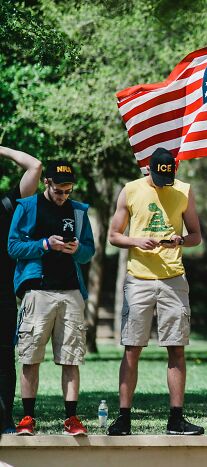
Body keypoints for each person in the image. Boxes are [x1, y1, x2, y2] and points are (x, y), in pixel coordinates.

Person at [107, 148, 203, 436]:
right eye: (159, 178)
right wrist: (138, 241)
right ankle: (124, 418)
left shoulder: (184, 190)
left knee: (176, 348)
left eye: (168, 178)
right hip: (139, 279)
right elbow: (113, 235)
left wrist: (180, 240)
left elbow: (197, 236)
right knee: (132, 348)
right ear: (149, 170)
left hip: (173, 278)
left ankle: (176, 418)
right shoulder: (130, 190)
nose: (164, 183)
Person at [8, 160, 95, 436]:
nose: (63, 197)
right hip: (38, 291)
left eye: (68, 191)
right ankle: (28, 418)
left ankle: (71, 418)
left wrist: (76, 249)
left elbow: (89, 252)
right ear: (47, 183)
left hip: (71, 292)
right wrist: (46, 244)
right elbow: (13, 246)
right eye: (59, 191)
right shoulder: (27, 207)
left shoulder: (79, 212)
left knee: (71, 358)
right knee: (30, 357)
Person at [0, 146, 42, 434]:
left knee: (4, 359)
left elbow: (35, 167)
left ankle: (4, 421)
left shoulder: (6, 204)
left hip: (2, 295)